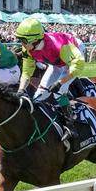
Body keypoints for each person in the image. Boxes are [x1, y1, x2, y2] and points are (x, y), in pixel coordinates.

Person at [15, 18, 84, 151]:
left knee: (59, 91)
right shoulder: (28, 48)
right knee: (38, 95)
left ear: (34, 40)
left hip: (74, 56)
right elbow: (26, 71)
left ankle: (71, 126)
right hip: (56, 63)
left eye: (23, 40)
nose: (21, 44)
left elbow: (78, 65)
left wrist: (60, 82)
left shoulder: (59, 45)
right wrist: (21, 89)